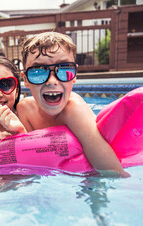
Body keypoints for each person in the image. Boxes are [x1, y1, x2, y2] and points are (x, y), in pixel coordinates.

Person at [17, 31, 126, 175]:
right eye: (38, 72)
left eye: (63, 69)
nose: (52, 81)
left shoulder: (75, 111)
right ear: (25, 79)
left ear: (74, 75)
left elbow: (113, 173)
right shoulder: (25, 110)